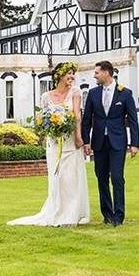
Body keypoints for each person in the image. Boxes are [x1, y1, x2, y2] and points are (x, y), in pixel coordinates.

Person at [8, 62, 89, 227]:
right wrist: (46, 134)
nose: (71, 77)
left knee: (71, 178)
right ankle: (56, 211)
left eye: (73, 74)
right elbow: (42, 119)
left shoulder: (75, 92)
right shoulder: (46, 96)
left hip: (70, 142)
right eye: (69, 74)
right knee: (57, 178)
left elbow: (77, 116)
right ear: (59, 75)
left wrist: (79, 137)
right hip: (53, 143)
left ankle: (71, 214)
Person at [82, 60, 139, 226]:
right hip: (99, 142)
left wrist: (134, 143)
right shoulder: (92, 94)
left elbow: (133, 120)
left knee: (116, 177)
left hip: (118, 142)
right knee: (101, 178)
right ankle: (107, 214)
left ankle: (118, 215)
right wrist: (86, 142)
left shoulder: (125, 94)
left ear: (107, 73)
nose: (94, 75)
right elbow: (86, 120)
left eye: (97, 73)